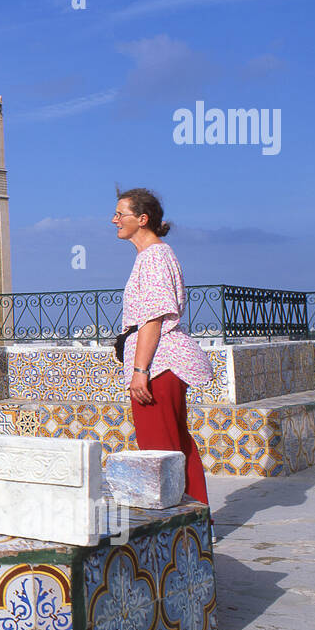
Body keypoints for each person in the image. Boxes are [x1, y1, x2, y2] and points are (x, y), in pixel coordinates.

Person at [113, 187, 213, 506]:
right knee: (176, 446)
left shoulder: (155, 256)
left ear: (142, 219)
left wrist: (140, 372)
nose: (114, 219)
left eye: (120, 214)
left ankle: (176, 526)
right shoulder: (153, 255)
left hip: (159, 367)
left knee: (160, 451)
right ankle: (197, 521)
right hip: (160, 365)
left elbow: (153, 319)